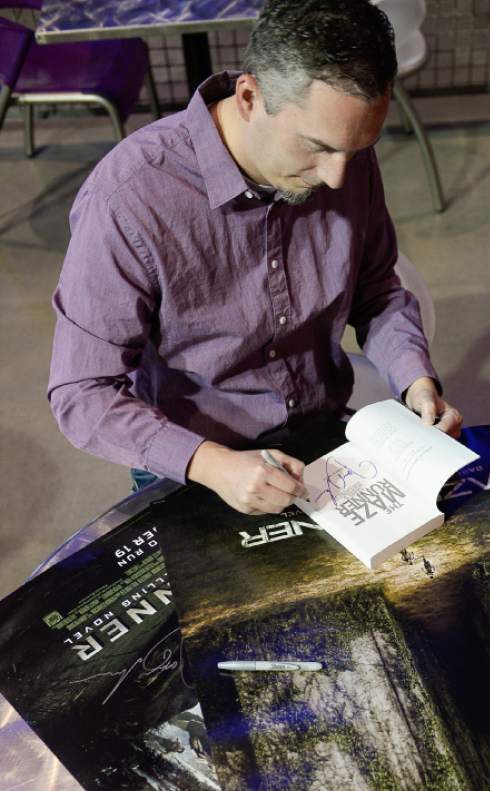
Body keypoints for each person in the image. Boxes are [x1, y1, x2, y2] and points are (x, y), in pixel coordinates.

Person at [48, 0, 462, 517]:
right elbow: (81, 393)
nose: (336, 177)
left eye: (354, 152)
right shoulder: (129, 199)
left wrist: (415, 382)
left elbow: (376, 290)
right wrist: (213, 464)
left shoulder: (344, 151)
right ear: (249, 96)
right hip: (195, 462)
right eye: (317, 147)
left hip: (322, 434)